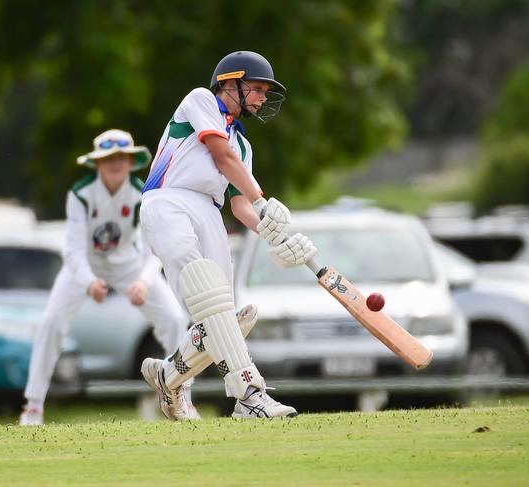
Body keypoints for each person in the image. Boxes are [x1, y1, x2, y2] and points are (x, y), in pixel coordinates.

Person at [138, 51, 317, 420]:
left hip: (210, 211)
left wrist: (275, 235)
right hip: (169, 201)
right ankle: (250, 396)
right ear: (230, 83)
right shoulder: (200, 100)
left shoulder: (244, 145)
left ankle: (168, 376)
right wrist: (263, 200)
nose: (262, 99)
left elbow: (239, 207)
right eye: (257, 89)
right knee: (209, 299)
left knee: (223, 315)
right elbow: (220, 156)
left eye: (265, 93)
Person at [19, 129, 197, 426]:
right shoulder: (81, 194)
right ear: (97, 164)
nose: (115, 164)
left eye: (121, 158)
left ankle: (183, 400)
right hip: (86, 264)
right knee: (51, 321)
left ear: (131, 162)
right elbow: (73, 248)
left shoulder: (143, 192)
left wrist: (143, 281)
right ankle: (34, 406)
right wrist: (89, 281)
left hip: (129, 264)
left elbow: (153, 245)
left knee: (174, 318)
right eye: (108, 159)